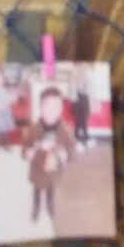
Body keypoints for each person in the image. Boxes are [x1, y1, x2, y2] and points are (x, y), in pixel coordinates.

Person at [24, 86, 76, 223]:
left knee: (50, 189)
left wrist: (66, 154)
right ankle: (36, 207)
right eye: (48, 106)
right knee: (36, 189)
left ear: (61, 108)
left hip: (54, 170)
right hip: (37, 170)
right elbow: (25, 147)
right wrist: (28, 152)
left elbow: (72, 148)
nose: (52, 111)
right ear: (41, 108)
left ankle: (50, 204)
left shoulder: (65, 129)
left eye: (57, 107)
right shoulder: (33, 128)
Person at [72, 71, 90, 151]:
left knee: (84, 125)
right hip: (78, 109)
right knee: (78, 125)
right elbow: (74, 103)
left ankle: (85, 140)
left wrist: (87, 113)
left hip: (83, 110)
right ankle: (77, 141)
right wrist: (74, 111)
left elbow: (87, 106)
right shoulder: (76, 92)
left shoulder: (85, 94)